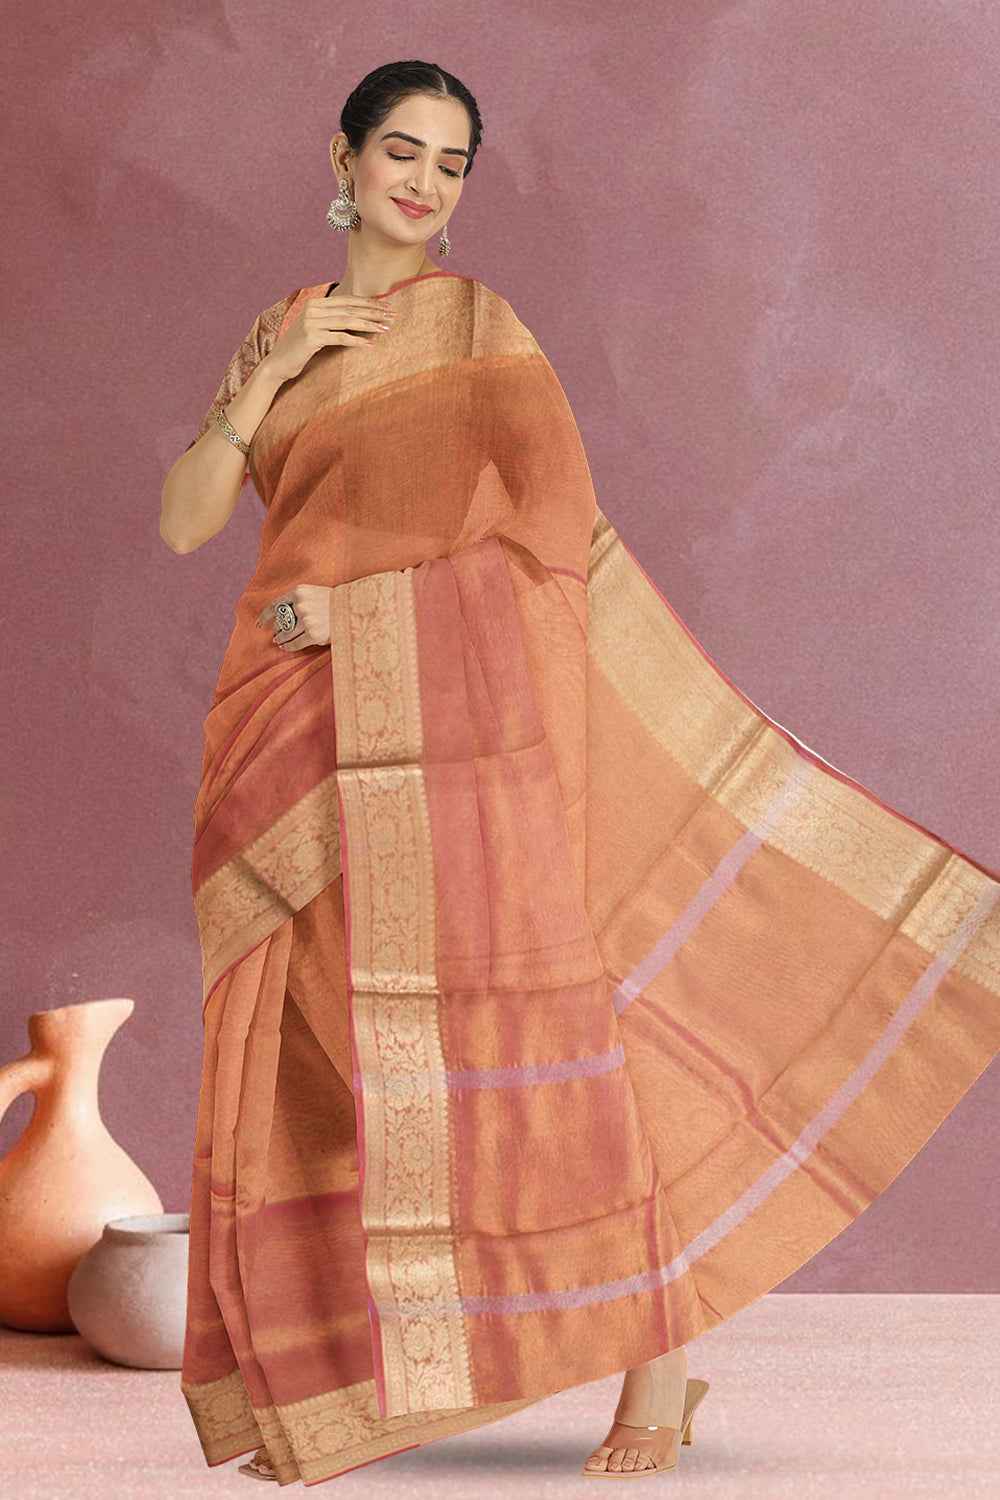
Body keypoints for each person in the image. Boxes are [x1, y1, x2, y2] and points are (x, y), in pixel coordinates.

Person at [162, 61, 1000, 1489]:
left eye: (451, 162)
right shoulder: (283, 331)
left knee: (528, 1041)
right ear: (343, 159)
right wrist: (271, 377)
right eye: (401, 151)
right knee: (320, 1044)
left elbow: (548, 547)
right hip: (285, 733)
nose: (424, 182)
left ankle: (656, 1360)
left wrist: (360, 618)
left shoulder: (484, 333)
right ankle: (352, 1369)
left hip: (444, 731)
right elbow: (190, 519)